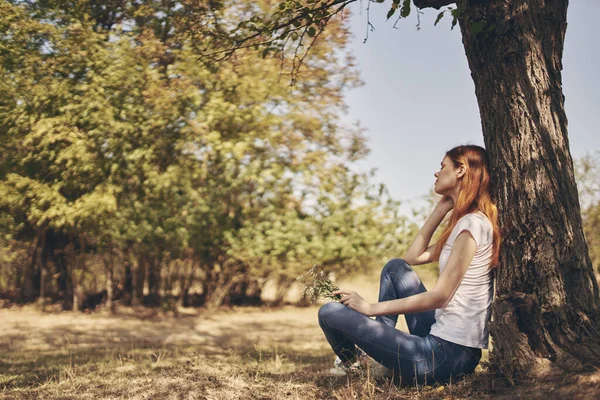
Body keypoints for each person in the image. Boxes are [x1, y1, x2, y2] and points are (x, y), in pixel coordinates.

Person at [318, 144, 501, 386]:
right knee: (395, 268)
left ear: (460, 171)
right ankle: (379, 359)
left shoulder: (472, 226)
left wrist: (369, 308)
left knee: (329, 313)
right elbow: (412, 258)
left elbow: (440, 297)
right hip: (443, 341)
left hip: (446, 355)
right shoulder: (464, 223)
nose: (436, 173)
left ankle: (355, 364)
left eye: (442, 166)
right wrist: (440, 209)